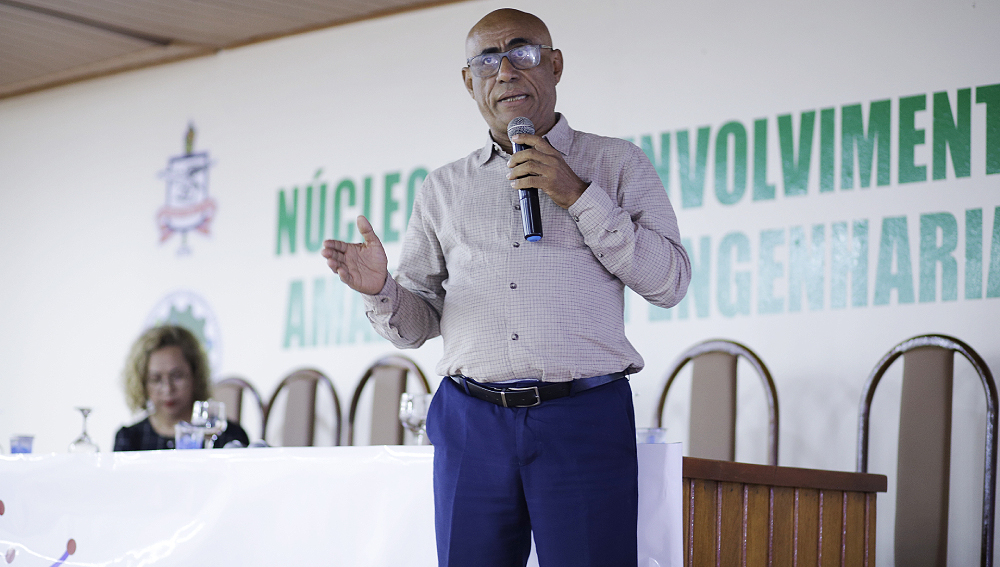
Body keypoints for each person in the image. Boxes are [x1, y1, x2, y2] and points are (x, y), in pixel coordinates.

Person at [322, 8, 691, 567]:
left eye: (523, 53)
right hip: (472, 423)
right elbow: (419, 322)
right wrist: (382, 290)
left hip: (582, 419)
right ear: (469, 82)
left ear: (555, 65)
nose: (506, 72)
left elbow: (670, 283)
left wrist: (578, 194)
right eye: (487, 61)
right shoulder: (442, 188)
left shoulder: (616, 163)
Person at [114, 325, 249, 451]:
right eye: (156, 379)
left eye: (177, 376)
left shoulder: (225, 435)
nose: (168, 389)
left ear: (195, 375)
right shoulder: (129, 438)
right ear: (142, 382)